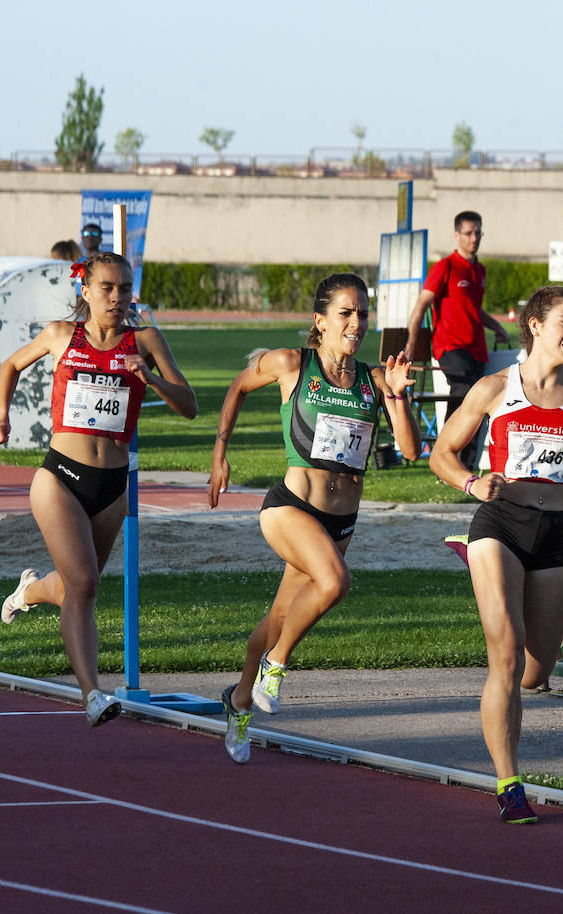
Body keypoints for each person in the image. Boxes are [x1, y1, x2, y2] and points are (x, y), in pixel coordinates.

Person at [429, 285, 563, 823]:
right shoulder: (494, 389)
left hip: (556, 532)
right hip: (500, 523)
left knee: (537, 670)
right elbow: (441, 454)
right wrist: (471, 483)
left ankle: (483, 568)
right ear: (534, 324)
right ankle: (510, 784)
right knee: (506, 657)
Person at [208, 273, 419, 764]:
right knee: (334, 582)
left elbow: (408, 450)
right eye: (345, 313)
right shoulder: (291, 364)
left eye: (362, 314)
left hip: (340, 524)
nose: (356, 323)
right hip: (289, 508)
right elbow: (238, 387)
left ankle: (238, 700)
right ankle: (275, 667)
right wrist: (220, 452)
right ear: (320, 322)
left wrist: (399, 395)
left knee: (283, 615)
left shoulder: (375, 379)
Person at [0, 252, 198, 727]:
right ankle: (92, 694)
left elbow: (190, 405)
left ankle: (29, 592)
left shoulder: (145, 341)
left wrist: (152, 379)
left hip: (111, 486)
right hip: (60, 477)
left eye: (125, 288)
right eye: (107, 288)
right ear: (86, 290)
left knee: (77, 583)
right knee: (84, 584)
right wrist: (2, 415)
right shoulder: (62, 335)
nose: (118, 297)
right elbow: (9, 365)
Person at [404, 210, 511, 469]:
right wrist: (410, 345)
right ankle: (445, 457)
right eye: (469, 233)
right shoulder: (445, 267)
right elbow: (422, 305)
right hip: (450, 346)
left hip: (477, 348)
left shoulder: (479, 270)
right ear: (457, 235)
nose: (474, 238)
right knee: (464, 393)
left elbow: (472, 308)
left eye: (478, 233)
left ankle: (468, 464)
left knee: (479, 401)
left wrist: (496, 326)